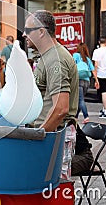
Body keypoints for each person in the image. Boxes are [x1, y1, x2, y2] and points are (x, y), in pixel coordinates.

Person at [22, 10, 79, 180]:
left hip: (53, 136)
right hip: (49, 135)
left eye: (28, 30)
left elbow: (61, 108)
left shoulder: (56, 59)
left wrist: (40, 135)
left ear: (41, 32)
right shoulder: (47, 56)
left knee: (53, 189)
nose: (24, 34)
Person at [73, 43, 99, 124]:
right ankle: (76, 117)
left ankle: (86, 116)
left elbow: (72, 66)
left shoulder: (75, 55)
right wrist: (96, 81)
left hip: (78, 80)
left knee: (80, 100)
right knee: (80, 100)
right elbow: (93, 70)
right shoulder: (87, 59)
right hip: (87, 81)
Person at [92, 36, 106, 119]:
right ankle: (104, 108)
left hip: (101, 74)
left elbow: (96, 64)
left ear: (99, 42)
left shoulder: (96, 51)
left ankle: (105, 110)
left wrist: (95, 76)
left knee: (103, 92)